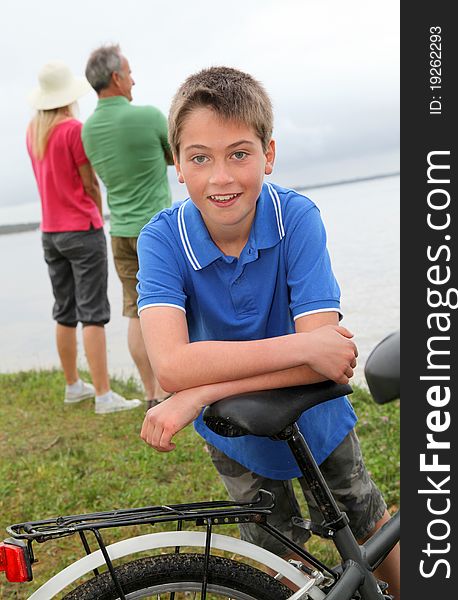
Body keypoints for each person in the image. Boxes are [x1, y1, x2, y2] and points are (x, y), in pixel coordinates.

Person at [136, 66, 400, 597]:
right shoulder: (162, 240)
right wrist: (303, 346)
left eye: (239, 153)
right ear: (179, 167)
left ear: (268, 155)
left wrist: (200, 389)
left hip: (315, 409)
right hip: (235, 429)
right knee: (269, 552)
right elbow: (169, 366)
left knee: (366, 517)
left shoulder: (297, 218)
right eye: (200, 158)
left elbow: (327, 360)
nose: (221, 177)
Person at [26, 60, 142, 415]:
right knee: (93, 313)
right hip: (81, 228)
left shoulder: (33, 130)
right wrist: (95, 207)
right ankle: (105, 396)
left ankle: (73, 384)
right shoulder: (73, 130)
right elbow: (89, 182)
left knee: (64, 311)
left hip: (50, 232)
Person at [82, 45, 173, 410]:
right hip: (158, 228)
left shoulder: (88, 130)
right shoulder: (149, 116)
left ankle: (151, 392)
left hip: (119, 230)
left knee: (136, 311)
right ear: (117, 77)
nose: (134, 79)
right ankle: (175, 387)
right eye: (130, 72)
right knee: (174, 305)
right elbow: (175, 153)